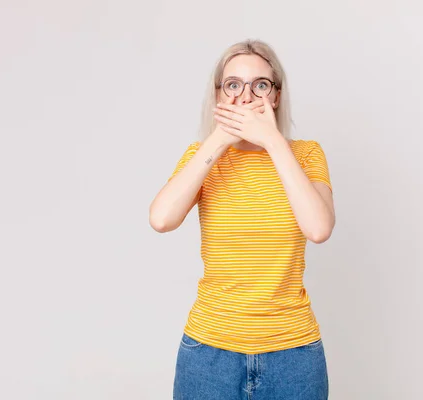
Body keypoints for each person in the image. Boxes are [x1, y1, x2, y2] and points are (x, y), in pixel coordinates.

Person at [149, 39, 335, 400]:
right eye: (233, 85)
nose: (245, 97)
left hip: (293, 355)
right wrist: (219, 139)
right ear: (219, 95)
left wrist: (273, 141)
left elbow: (318, 228)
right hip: (208, 354)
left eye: (260, 85)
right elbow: (161, 219)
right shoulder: (201, 156)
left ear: (275, 96)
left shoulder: (306, 154)